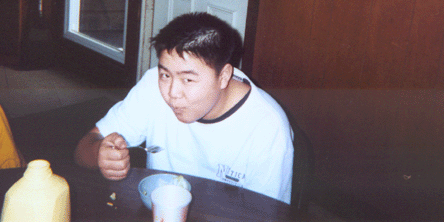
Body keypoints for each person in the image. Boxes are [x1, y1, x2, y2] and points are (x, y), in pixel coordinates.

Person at [74, 12, 293, 203]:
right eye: (165, 75)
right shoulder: (152, 86)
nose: (172, 93)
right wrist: (100, 153)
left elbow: (268, 213)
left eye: (188, 80)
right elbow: (83, 148)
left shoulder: (267, 127)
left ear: (224, 76)